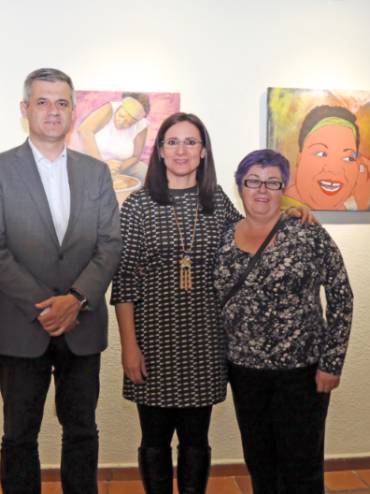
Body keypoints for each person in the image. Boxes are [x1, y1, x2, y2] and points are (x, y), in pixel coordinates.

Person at [111, 114, 314, 494]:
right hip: (152, 343)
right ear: (160, 151)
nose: (182, 150)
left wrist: (288, 208)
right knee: (153, 440)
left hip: (205, 344)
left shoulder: (217, 201)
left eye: (191, 142)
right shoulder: (138, 205)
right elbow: (124, 283)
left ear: (203, 151)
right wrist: (129, 347)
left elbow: (254, 228)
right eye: (173, 142)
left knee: (195, 440)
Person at [0, 68, 121, 494]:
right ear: (25, 109)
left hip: (82, 322)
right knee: (19, 435)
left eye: (61, 103)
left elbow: (110, 244)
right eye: (42, 102)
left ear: (73, 111)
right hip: (21, 326)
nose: (53, 111)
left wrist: (75, 299)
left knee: (82, 430)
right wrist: (48, 306)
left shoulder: (97, 172)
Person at [214, 149, 354, 493]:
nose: (262, 190)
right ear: (239, 186)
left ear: (283, 188)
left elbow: (341, 297)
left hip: (301, 373)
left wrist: (332, 363)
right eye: (253, 181)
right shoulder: (223, 238)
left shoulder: (307, 233)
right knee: (260, 462)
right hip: (244, 372)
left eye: (272, 182)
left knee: (302, 467)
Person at [284, 105, 370, 211]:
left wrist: (362, 202)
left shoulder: (349, 208)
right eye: (321, 154)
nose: (334, 170)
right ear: (299, 158)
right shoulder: (281, 210)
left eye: (348, 158)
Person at [77, 92, 150, 179]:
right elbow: (84, 130)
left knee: (143, 171)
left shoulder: (141, 125)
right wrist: (102, 165)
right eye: (121, 116)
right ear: (120, 107)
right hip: (94, 161)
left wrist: (119, 168)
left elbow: (135, 156)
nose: (122, 123)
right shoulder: (109, 109)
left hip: (119, 166)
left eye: (129, 123)